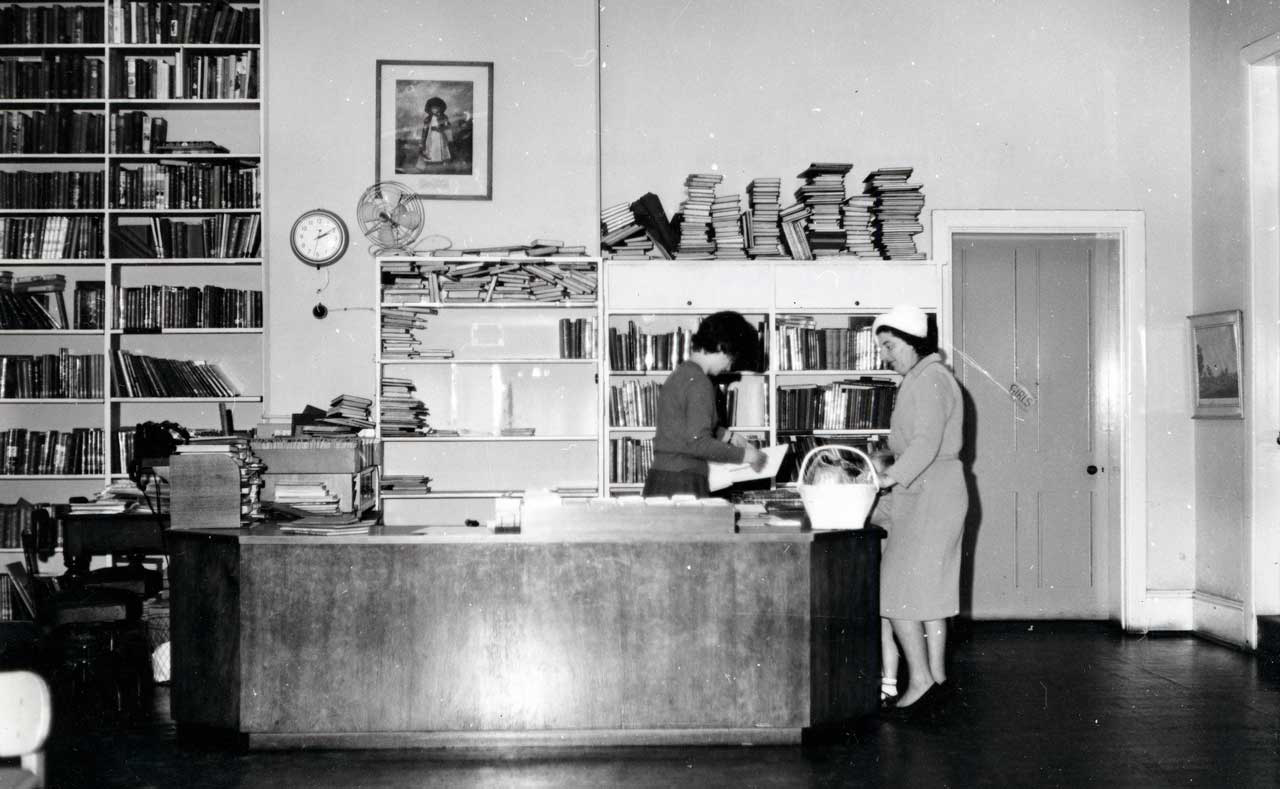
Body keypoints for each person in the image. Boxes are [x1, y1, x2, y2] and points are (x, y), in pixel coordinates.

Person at [869, 304, 967, 719]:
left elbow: (926, 443)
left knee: (895, 593)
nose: (886, 355)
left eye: (890, 345)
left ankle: (922, 680)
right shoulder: (923, 378)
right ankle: (936, 678)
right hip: (928, 492)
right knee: (927, 593)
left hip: (930, 494)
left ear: (912, 341)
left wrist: (888, 478)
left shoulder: (928, 381)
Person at [643, 311, 768, 498]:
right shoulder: (700, 382)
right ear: (720, 347)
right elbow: (698, 443)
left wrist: (729, 436)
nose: (728, 367)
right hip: (683, 483)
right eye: (731, 359)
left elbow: (683, 426)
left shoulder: (681, 374)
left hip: (661, 479)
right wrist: (749, 456)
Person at [421, 97, 452, 165]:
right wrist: (425, 129)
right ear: (430, 109)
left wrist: (442, 127)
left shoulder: (443, 117)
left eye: (436, 108)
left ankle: (443, 160)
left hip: (440, 134)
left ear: (440, 108)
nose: (434, 110)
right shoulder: (428, 118)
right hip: (431, 135)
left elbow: (447, 126)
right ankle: (431, 160)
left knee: (441, 146)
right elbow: (425, 127)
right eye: (433, 108)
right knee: (430, 146)